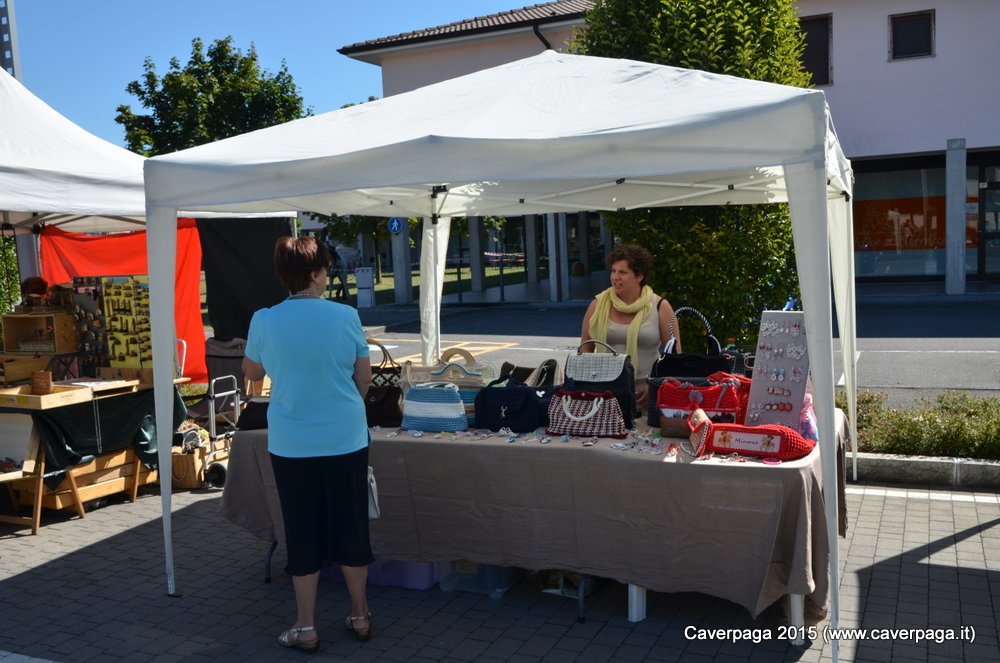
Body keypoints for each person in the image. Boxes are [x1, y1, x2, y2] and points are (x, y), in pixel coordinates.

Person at [242, 235, 374, 652]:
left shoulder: (264, 319)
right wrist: (344, 404)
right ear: (316, 273)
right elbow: (364, 378)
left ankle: (306, 626)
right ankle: (360, 614)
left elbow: (252, 372)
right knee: (351, 525)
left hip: (292, 442)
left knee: (301, 530)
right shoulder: (346, 316)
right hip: (345, 437)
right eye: (326, 269)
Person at [580, 244, 679, 405]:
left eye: (622, 272)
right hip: (604, 396)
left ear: (639, 276)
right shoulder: (598, 305)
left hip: (649, 395)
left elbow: (675, 356)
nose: (615, 277)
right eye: (613, 271)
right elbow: (585, 349)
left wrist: (658, 384)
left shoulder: (661, 306)